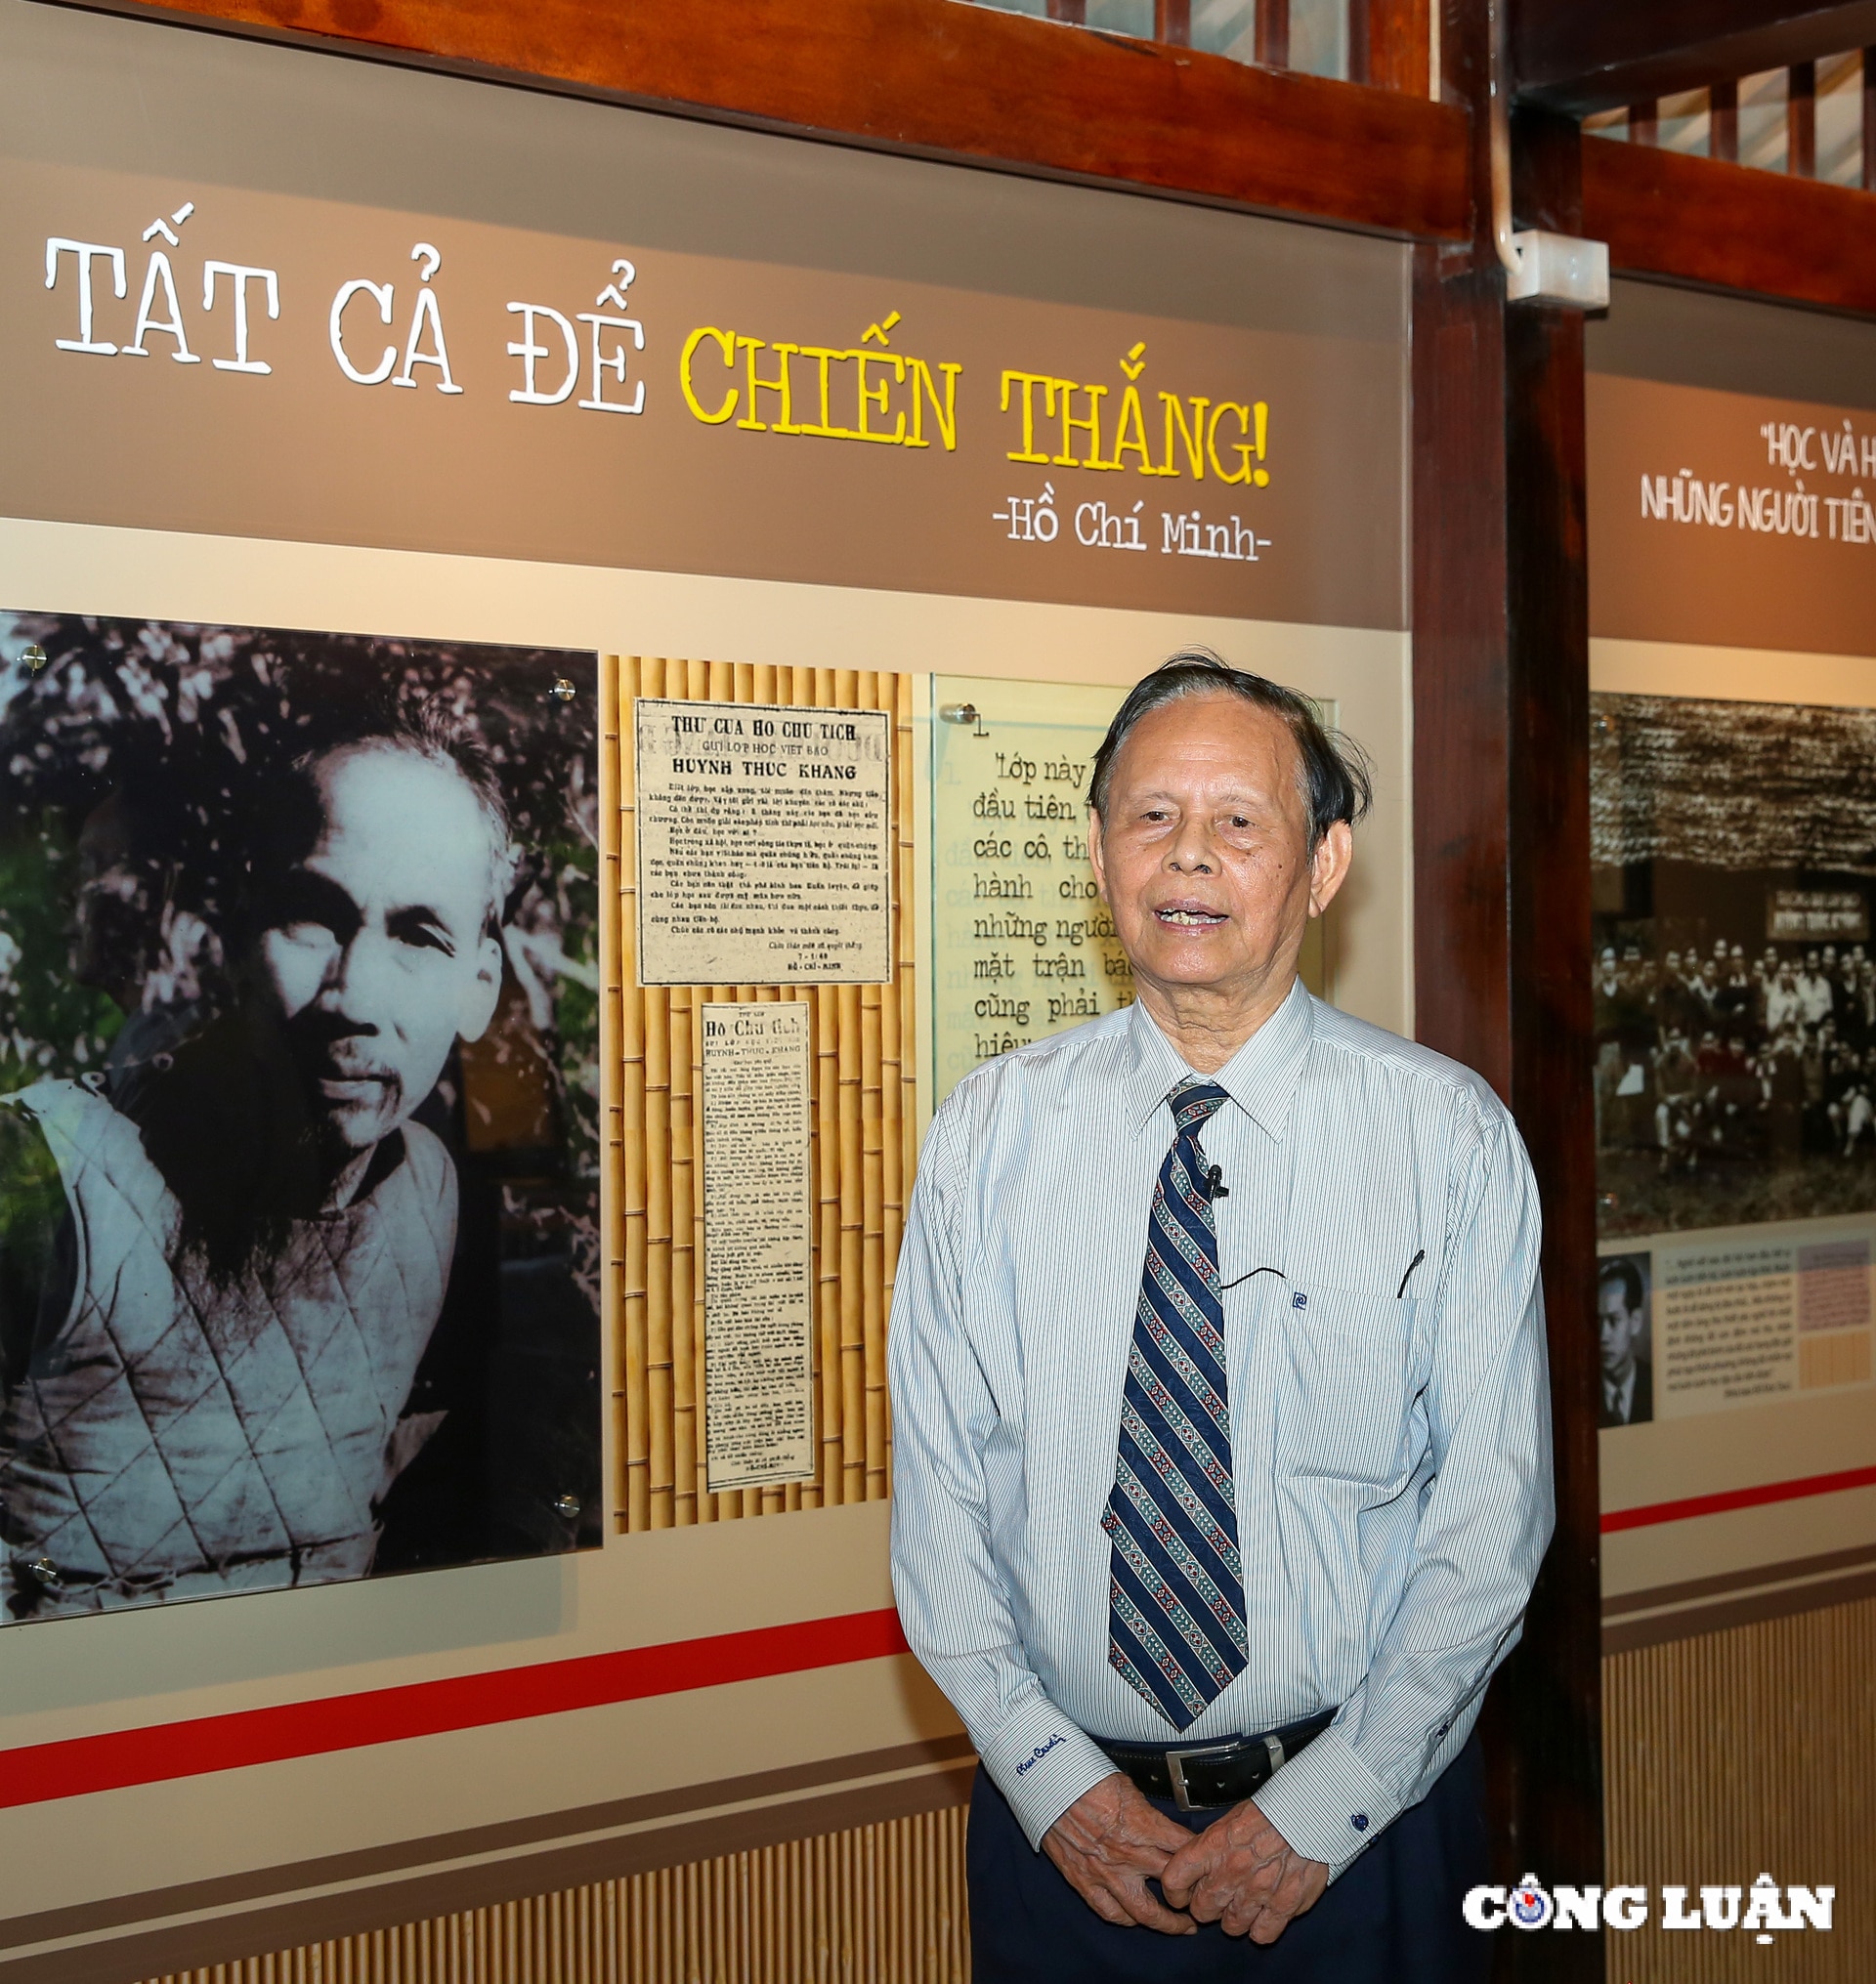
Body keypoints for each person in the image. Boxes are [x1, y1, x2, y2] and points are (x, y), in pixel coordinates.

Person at [889, 653, 1554, 1983]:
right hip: (1066, 1844)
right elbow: (940, 1503)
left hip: (1364, 1841)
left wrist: (1321, 1811)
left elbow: (1491, 1522)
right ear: (1097, 852)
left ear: (1322, 864)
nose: (1189, 855)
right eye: (1152, 816)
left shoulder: (1445, 1137)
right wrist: (1052, 1777)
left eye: (1240, 821)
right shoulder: (989, 1137)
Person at [0, 703, 508, 1618]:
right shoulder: (49, 1170)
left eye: (419, 936)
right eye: (313, 918)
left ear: (481, 984)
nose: (355, 995)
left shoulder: (432, 1192)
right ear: (237, 938)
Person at [1597, 1258, 1652, 1428]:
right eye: (1598, 1321)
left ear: (1635, 1321)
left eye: (1614, 1320)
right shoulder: (1579, 1391)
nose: (1603, 1336)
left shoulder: (1651, 1382)